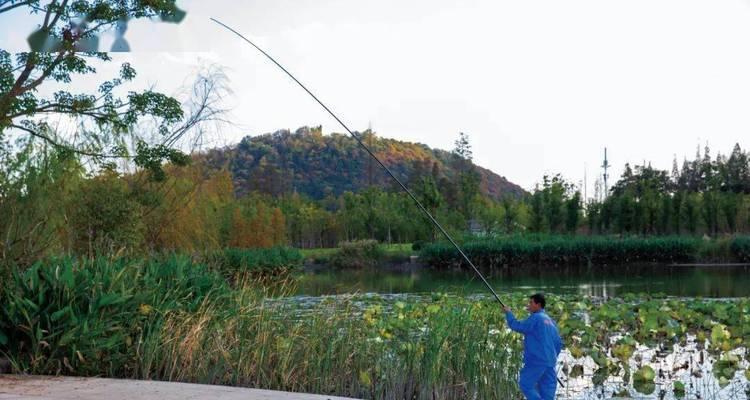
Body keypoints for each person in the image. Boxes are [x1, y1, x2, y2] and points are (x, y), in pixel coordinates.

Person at [504, 293, 563, 400]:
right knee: (547, 393)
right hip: (550, 362)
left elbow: (517, 326)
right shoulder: (551, 321)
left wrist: (508, 313)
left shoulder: (536, 318)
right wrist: (551, 357)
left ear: (538, 304)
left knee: (525, 384)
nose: (528, 305)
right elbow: (558, 343)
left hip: (537, 361)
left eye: (531, 302)